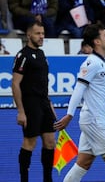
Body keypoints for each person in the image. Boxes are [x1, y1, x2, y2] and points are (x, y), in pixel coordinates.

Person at [53, 23, 105, 182]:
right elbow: (78, 89)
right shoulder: (91, 63)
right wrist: (69, 114)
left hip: (95, 120)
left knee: (84, 163)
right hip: (95, 120)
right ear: (97, 42)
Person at [12, 21, 56, 182]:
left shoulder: (42, 54)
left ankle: (48, 179)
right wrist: (21, 111)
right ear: (29, 35)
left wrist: (49, 104)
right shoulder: (22, 55)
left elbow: (42, 82)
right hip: (30, 104)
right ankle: (24, 179)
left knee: (50, 142)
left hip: (44, 103)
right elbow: (15, 83)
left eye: (43, 33)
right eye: (38, 33)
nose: (41, 36)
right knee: (30, 142)